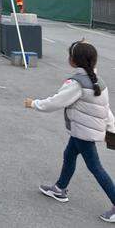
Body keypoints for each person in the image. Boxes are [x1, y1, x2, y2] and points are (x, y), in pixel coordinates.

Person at [25, 41, 115, 223]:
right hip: (82, 130)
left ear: (73, 61)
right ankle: (60, 188)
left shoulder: (76, 83)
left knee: (95, 167)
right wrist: (111, 127)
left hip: (84, 132)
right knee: (69, 154)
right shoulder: (99, 80)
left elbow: (56, 101)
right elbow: (106, 109)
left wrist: (34, 103)